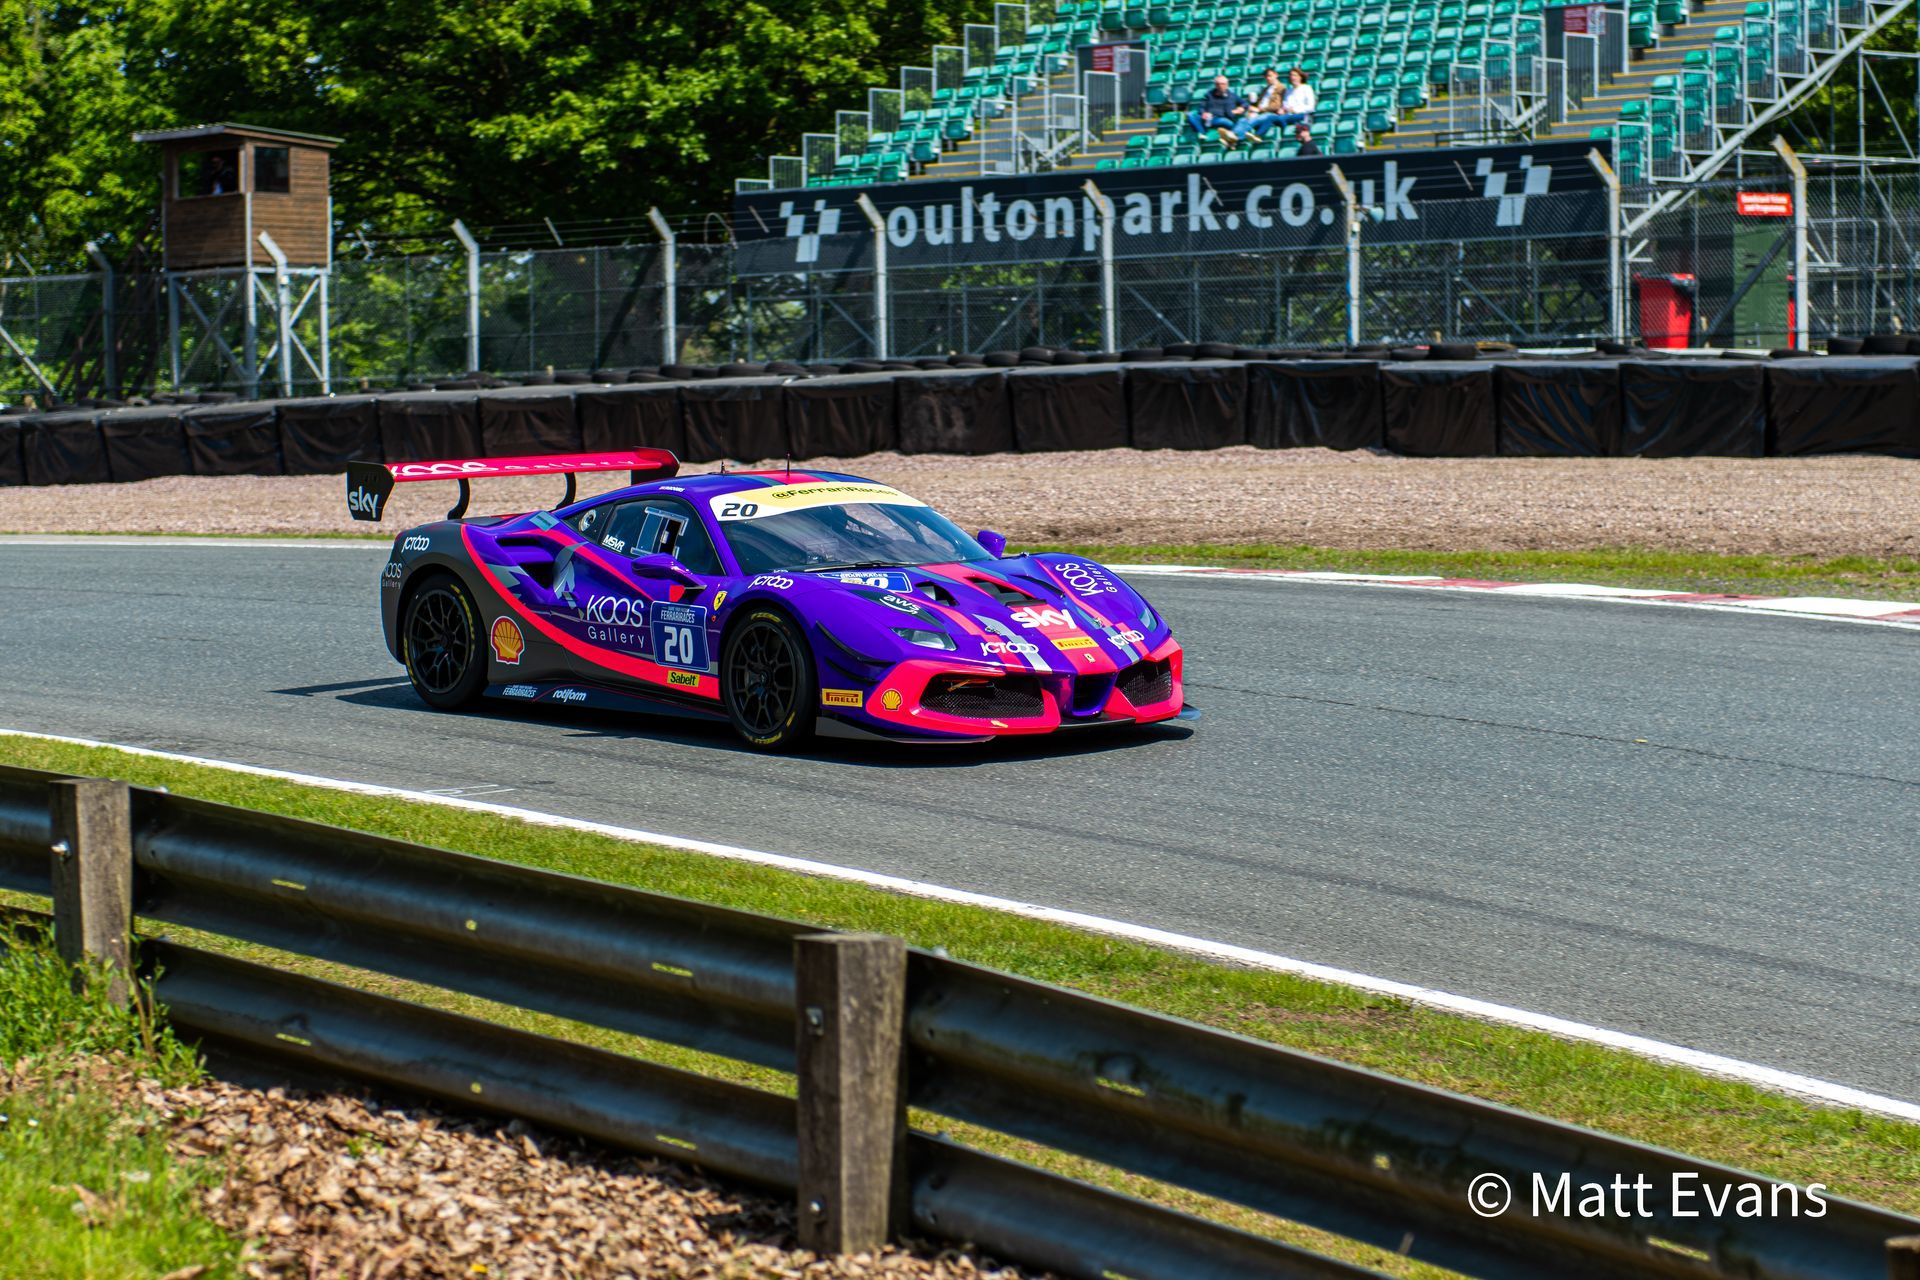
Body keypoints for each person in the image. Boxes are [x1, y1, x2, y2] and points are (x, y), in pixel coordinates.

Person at [1187, 75, 1247, 147]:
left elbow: (1245, 103)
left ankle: (1228, 137)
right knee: (1191, 115)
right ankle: (1203, 133)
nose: (1221, 86)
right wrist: (1203, 113)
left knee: (1223, 121)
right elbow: (1201, 106)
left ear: (1227, 85)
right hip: (1209, 118)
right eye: (1218, 84)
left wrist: (1241, 108)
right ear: (1215, 85)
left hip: (1225, 119)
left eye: (1223, 84)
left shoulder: (1232, 96)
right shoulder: (1209, 95)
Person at [1234, 67, 1288, 142]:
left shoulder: (1281, 88)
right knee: (1242, 119)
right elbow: (1259, 103)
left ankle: (1237, 138)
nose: (1268, 78)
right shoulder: (1266, 89)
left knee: (1253, 120)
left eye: (1270, 76)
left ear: (1276, 75)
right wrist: (1252, 105)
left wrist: (1259, 110)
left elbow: (1276, 106)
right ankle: (1233, 135)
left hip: (1271, 114)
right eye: (1266, 77)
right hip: (1260, 112)